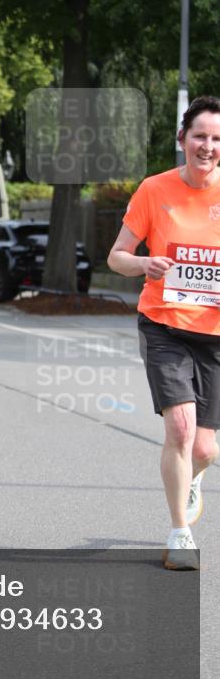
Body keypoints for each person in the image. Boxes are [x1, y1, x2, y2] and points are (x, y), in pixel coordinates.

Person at [108, 95, 220, 571]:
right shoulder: (154, 190)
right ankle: (180, 534)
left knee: (205, 448)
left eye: (217, 139)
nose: (208, 146)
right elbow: (116, 256)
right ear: (182, 139)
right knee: (180, 428)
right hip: (164, 326)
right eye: (200, 136)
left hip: (214, 335)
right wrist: (144, 264)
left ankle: (190, 478)